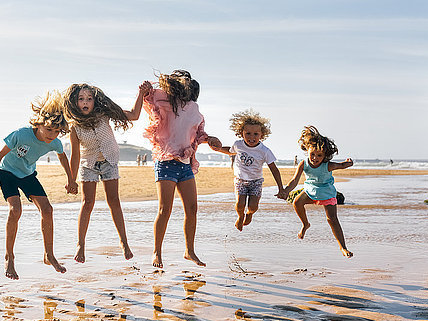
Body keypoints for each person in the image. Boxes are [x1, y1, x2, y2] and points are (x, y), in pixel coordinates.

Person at [0, 91, 78, 279]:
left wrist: (71, 180)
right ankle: (9, 257)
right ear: (39, 123)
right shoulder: (21, 134)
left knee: (48, 210)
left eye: (56, 131)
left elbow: (63, 158)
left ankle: (48, 255)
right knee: (15, 210)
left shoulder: (55, 143)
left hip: (28, 174)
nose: (52, 135)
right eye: (49, 130)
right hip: (6, 173)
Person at [64, 82, 151, 263]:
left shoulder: (104, 115)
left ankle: (124, 242)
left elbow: (134, 115)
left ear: (95, 101)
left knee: (114, 201)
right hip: (88, 164)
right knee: (87, 203)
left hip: (109, 161)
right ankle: (80, 244)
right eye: (81, 99)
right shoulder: (74, 126)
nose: (85, 102)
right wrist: (71, 179)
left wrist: (141, 93)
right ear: (75, 102)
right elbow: (75, 155)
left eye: (89, 99)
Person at [142, 70, 221, 268]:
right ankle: (157, 253)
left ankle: (189, 251)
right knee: (164, 209)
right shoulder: (167, 104)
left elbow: (197, 132)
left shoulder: (194, 109)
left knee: (192, 209)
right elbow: (150, 99)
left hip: (185, 165)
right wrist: (146, 91)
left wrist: (210, 139)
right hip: (166, 161)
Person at [210, 109, 287, 231]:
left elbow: (274, 169)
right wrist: (218, 149)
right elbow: (230, 151)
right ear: (242, 133)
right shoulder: (238, 145)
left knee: (253, 206)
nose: (252, 137)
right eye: (248, 134)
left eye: (256, 134)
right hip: (240, 180)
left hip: (256, 182)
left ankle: (249, 214)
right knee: (240, 204)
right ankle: (240, 216)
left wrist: (281, 188)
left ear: (262, 134)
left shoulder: (264, 151)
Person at [284, 126, 354, 258]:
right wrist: (285, 190)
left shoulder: (327, 165)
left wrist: (348, 163)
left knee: (332, 219)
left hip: (326, 192)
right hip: (311, 190)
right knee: (297, 202)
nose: (315, 158)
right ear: (307, 150)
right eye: (312, 154)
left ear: (325, 156)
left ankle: (343, 247)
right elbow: (294, 180)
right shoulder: (303, 164)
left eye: (319, 155)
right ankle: (305, 224)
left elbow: (341, 165)